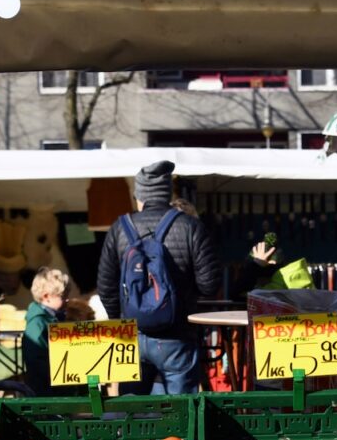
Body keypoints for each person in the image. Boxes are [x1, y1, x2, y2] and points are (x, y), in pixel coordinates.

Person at [97, 161, 221, 394]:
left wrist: (124, 320)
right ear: (167, 193)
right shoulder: (190, 226)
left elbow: (105, 286)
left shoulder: (119, 228)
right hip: (177, 336)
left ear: (139, 196)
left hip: (132, 335)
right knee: (182, 412)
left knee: (132, 410)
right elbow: (209, 284)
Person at [22, 267, 72, 396]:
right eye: (62, 296)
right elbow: (36, 360)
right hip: (46, 390)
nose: (67, 299)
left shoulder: (55, 318)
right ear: (46, 296)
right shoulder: (37, 324)